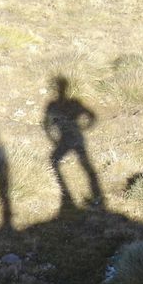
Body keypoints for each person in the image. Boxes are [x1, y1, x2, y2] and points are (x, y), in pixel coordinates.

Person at [42, 75, 103, 209]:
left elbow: (46, 124)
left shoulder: (64, 103)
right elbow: (91, 116)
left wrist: (53, 139)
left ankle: (88, 196)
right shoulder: (73, 102)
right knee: (85, 164)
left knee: (80, 164)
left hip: (69, 138)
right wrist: (84, 127)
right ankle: (97, 196)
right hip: (75, 137)